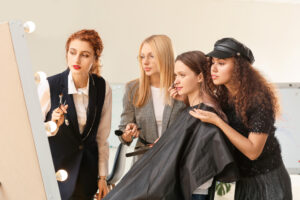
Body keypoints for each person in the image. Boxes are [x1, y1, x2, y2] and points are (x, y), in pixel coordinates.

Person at [104, 51, 237, 200]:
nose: (176, 81)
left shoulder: (205, 114)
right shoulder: (193, 110)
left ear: (200, 77)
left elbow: (196, 163)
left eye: (182, 75)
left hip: (193, 193)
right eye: (175, 76)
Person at [190, 38, 292, 200]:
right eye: (213, 62)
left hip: (265, 183)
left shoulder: (259, 100)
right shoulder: (223, 95)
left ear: (239, 68)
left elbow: (253, 151)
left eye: (221, 63)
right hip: (236, 180)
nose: (213, 69)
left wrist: (218, 121)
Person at [38, 29, 112, 200]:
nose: (76, 60)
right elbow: (33, 134)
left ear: (95, 58)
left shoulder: (102, 87)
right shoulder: (49, 85)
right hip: (55, 173)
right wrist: (53, 126)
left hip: (87, 174)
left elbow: (102, 137)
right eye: (72, 53)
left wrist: (102, 177)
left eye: (85, 55)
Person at [118, 35, 185, 158]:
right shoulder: (133, 89)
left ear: (165, 57)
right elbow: (123, 131)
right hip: (144, 160)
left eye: (151, 56)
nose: (145, 62)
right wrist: (127, 133)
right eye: (142, 57)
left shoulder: (182, 86)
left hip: (176, 157)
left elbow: (193, 127)